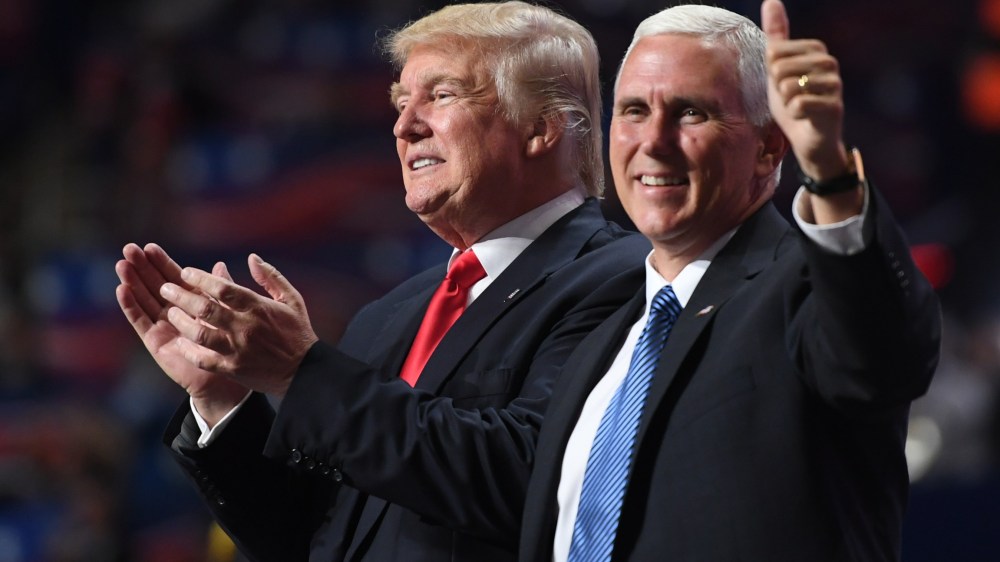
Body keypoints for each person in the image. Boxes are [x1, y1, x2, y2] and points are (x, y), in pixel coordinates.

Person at [114, 2, 649, 561]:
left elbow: (528, 478)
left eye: (440, 96)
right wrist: (225, 402)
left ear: (540, 127)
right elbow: (313, 538)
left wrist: (302, 373)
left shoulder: (623, 281)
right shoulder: (388, 316)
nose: (403, 125)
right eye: (400, 101)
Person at [518, 1, 942, 561]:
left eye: (691, 112)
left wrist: (831, 175)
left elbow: (882, 360)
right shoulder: (600, 347)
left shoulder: (806, 290)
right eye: (634, 110)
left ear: (769, 146)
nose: (654, 140)